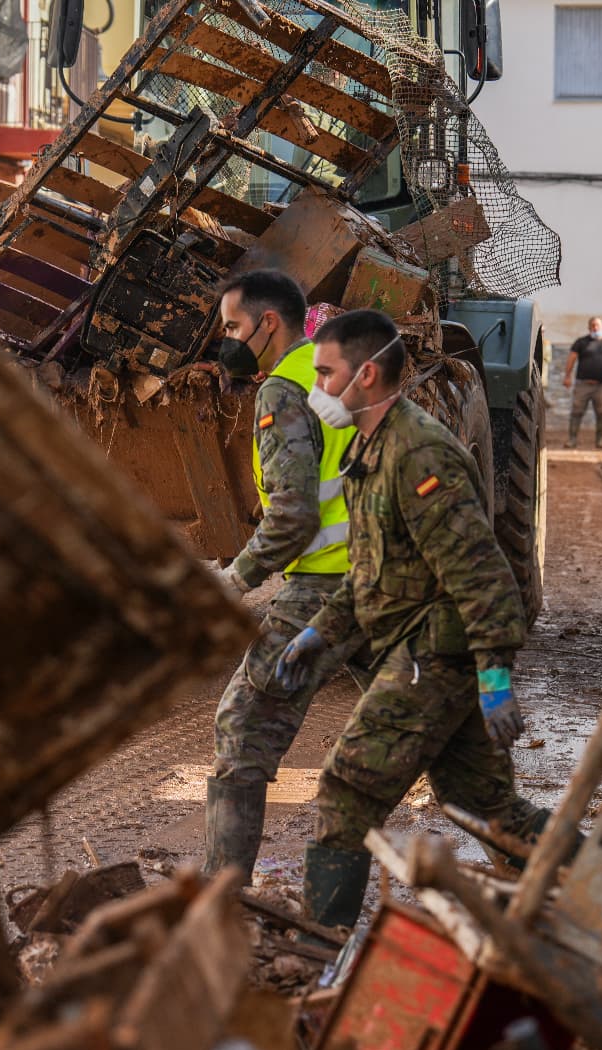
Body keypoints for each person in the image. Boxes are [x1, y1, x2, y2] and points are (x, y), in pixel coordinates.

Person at [274, 308, 554, 931]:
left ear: (366, 374)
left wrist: (494, 682)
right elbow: (372, 572)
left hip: (436, 655)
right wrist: (319, 633)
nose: (314, 388)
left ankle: (321, 947)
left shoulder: (420, 453)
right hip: (423, 644)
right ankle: (597, 889)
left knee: (346, 792)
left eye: (324, 374)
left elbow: (485, 578)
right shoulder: (370, 450)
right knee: (483, 805)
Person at [205, 269, 366, 884]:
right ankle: (542, 870)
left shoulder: (282, 390)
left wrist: (235, 582)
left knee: (242, 728)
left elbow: (293, 516)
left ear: (267, 323)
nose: (228, 340)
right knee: (439, 741)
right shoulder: (340, 375)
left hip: (328, 587)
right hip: (390, 579)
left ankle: (222, 898)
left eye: (232, 327)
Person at [563, 317, 602, 449]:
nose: (595, 328)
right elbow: (572, 358)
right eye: (593, 326)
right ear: (589, 328)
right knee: (576, 412)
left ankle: (600, 440)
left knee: (601, 413)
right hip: (583, 385)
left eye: (598, 325)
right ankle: (572, 440)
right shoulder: (581, 342)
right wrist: (567, 376)